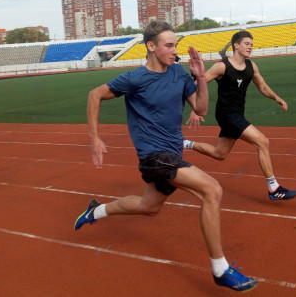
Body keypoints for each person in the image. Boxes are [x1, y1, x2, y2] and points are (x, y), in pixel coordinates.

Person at [74, 21, 257, 292]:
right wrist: (94, 137)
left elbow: (201, 107)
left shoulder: (180, 75)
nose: (174, 50)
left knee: (149, 206)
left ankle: (96, 210)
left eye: (176, 45)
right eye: (169, 45)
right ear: (151, 46)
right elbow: (94, 95)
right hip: (152, 155)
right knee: (212, 190)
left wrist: (200, 77)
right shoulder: (134, 78)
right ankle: (220, 269)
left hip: (171, 152)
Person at [184, 30, 296, 201]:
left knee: (219, 154)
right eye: (247, 44)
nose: (250, 47)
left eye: (251, 45)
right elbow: (197, 83)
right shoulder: (221, 66)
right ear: (236, 45)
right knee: (262, 141)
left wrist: (277, 98)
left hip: (237, 114)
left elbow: (262, 86)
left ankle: (184, 143)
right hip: (227, 115)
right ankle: (273, 188)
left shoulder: (251, 67)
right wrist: (195, 107)